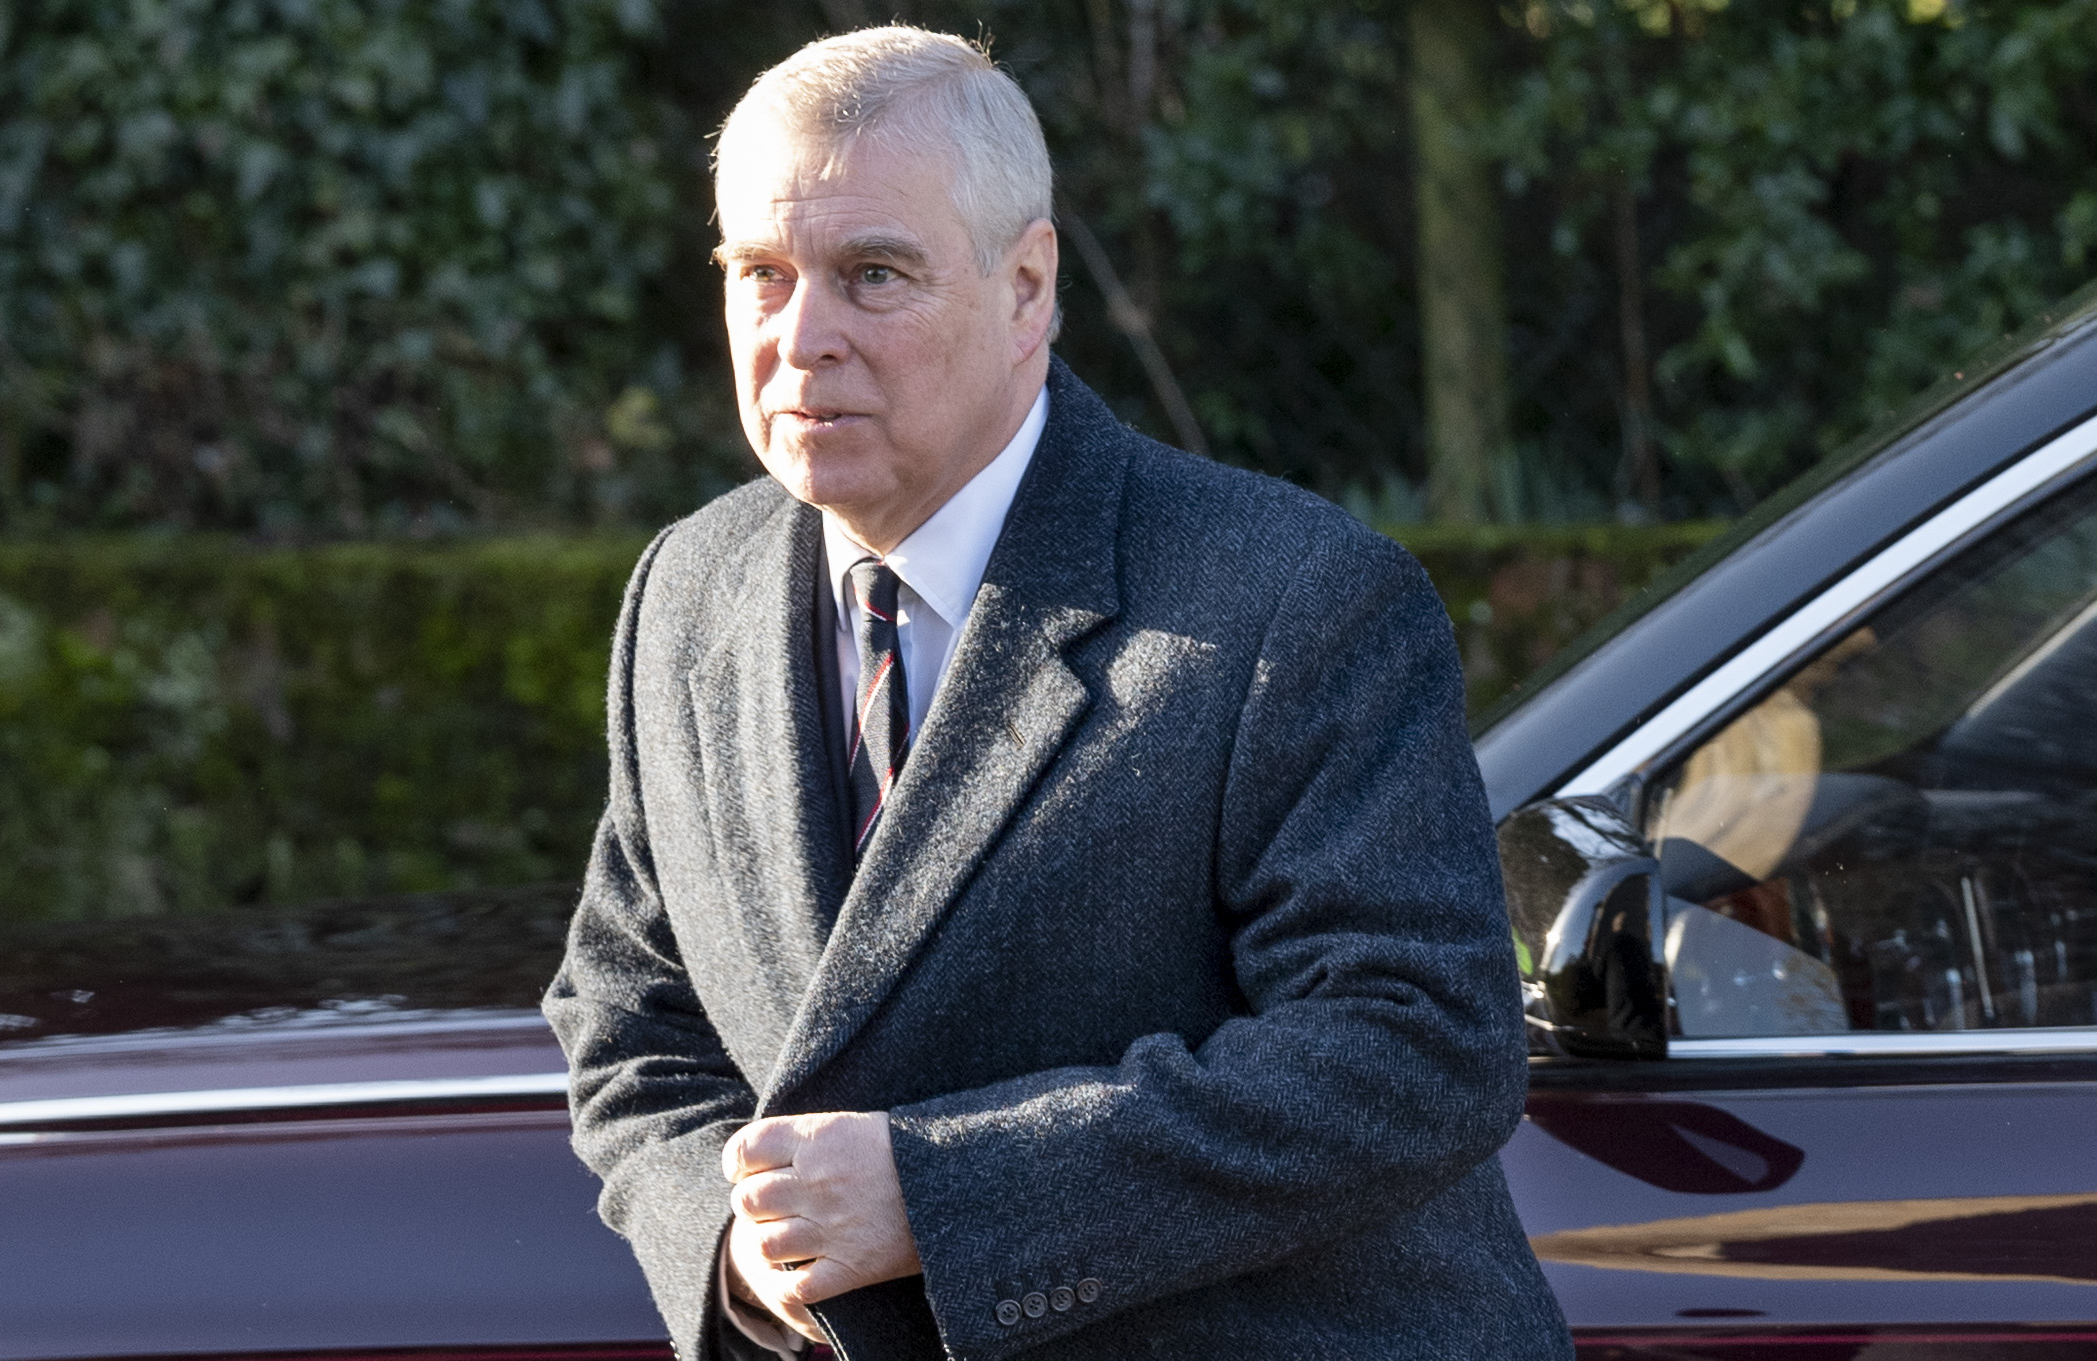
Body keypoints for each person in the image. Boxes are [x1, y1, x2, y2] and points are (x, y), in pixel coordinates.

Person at [544, 25, 1573, 1361]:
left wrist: (942, 1195)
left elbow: (1414, 1044)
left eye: (871, 275)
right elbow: (625, 1013)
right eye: (759, 275)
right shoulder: (688, 590)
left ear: (1027, 286)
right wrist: (735, 1243)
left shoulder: (1295, 596)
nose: (802, 339)